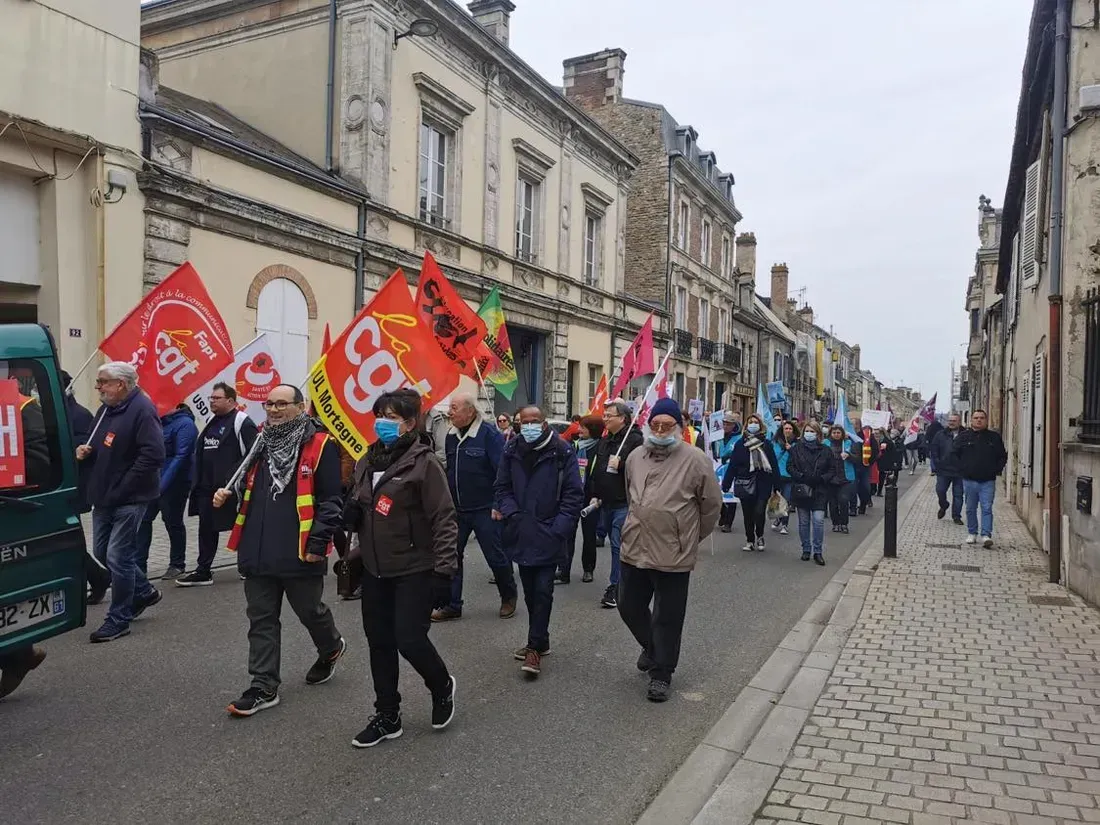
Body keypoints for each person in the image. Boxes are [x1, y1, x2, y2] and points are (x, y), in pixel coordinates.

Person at [212, 384, 346, 717]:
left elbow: (331, 501)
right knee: (261, 620)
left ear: (301, 406)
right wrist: (227, 494)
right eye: (269, 404)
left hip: (299, 551)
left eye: (282, 404)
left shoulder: (321, 444)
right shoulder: (261, 442)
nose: (273, 410)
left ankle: (331, 646)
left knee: (310, 612)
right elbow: (242, 482)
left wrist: (318, 544)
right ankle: (263, 686)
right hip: (257, 549)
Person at [342, 388, 458, 747]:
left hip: (413, 568)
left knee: (409, 639)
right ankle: (388, 715)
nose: (382, 423)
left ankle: (441, 685)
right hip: (374, 568)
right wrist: (351, 511)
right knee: (379, 641)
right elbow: (362, 500)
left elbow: (444, 518)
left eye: (391, 417)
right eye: (380, 416)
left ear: (409, 423)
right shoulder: (367, 460)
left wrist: (444, 570)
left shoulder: (424, 464)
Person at [618, 398, 722, 702]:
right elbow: (630, 495)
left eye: (667, 425)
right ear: (648, 425)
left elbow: (711, 505)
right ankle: (652, 648)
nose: (661, 430)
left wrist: (689, 536)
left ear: (679, 426)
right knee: (628, 605)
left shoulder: (696, 460)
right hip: (635, 546)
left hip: (673, 552)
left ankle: (661, 673)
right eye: (656, 424)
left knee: (668, 616)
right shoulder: (635, 456)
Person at [76, 361, 166, 643]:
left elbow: (153, 455)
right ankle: (144, 591)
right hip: (103, 496)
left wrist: (124, 486)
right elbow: (98, 443)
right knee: (102, 553)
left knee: (118, 556)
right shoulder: (106, 409)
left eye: (103, 382)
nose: (98, 387)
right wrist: (85, 452)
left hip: (130, 498)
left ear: (121, 384)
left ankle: (119, 618)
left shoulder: (142, 410)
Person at [493, 405, 583, 678]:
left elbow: (573, 494)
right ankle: (540, 639)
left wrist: (559, 528)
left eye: (534, 421)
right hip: (522, 529)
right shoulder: (512, 448)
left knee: (543, 590)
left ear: (544, 423)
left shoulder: (562, 451)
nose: (529, 426)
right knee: (531, 591)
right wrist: (512, 514)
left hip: (549, 531)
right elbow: (502, 487)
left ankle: (534, 648)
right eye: (524, 422)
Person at [433, 393, 517, 621]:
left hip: (485, 508)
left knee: (495, 556)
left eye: (454, 408)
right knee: (451, 556)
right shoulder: (451, 436)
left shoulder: (490, 435)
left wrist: (499, 503)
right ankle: (452, 604)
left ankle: (508, 596)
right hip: (457, 509)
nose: (449, 412)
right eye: (450, 407)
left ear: (470, 411)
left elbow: (503, 472)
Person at [177, 383, 259, 587]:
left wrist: (235, 482)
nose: (212, 401)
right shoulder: (211, 422)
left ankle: (247, 566)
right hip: (206, 488)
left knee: (241, 526)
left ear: (230, 400)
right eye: (211, 398)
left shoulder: (242, 422)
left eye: (216, 398)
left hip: (231, 489)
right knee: (206, 529)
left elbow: (252, 454)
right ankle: (203, 570)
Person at [61, 370, 111, 604]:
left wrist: (76, 453)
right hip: (60, 484)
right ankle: (94, 577)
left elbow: (87, 449)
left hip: (73, 486)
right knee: (66, 539)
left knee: (69, 539)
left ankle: (97, 577)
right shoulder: (57, 412)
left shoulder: (79, 415)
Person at [590, 400, 644, 609]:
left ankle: (616, 587)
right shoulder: (605, 441)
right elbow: (597, 469)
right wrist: (595, 493)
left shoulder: (635, 440)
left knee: (616, 543)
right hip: (606, 501)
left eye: (609, 415)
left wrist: (621, 464)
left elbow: (640, 469)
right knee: (619, 545)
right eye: (604, 415)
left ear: (622, 418)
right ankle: (628, 581)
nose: (604, 418)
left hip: (624, 501)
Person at [136, 403, 197, 579]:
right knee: (143, 520)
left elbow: (181, 457)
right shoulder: (158, 422)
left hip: (175, 483)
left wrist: (162, 485)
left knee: (172, 521)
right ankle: (139, 565)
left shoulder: (185, 424)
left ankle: (177, 564)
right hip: (153, 480)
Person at [953, 409, 1007, 548]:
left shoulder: (994, 437)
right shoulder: (964, 437)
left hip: (987, 480)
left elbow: (1002, 456)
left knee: (986, 507)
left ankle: (986, 534)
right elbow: (954, 454)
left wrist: (996, 470)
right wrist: (962, 469)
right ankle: (972, 532)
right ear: (971, 420)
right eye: (976, 418)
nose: (979, 420)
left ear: (986, 420)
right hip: (969, 480)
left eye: (982, 418)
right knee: (970, 508)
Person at [723, 414, 777, 552]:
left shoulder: (766, 444)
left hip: (763, 482)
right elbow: (733, 465)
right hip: (745, 482)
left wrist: (777, 485)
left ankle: (760, 535)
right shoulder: (740, 444)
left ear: (760, 425)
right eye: (751, 422)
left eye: (756, 422)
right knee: (747, 514)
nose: (753, 424)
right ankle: (750, 539)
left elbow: (773, 465)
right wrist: (726, 483)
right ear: (746, 425)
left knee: (759, 511)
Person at [560, 414, 604, 583]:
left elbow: (601, 473)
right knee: (567, 533)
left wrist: (597, 495)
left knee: (589, 535)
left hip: (591, 498)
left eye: (583, 427)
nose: (579, 430)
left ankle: (588, 569)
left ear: (592, 430)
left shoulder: (601, 448)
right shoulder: (574, 446)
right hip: (573, 495)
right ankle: (563, 570)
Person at [787, 421, 838, 565]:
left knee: (818, 520)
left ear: (818, 434)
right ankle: (806, 549)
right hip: (802, 489)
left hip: (819, 490)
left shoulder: (826, 450)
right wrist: (801, 476)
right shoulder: (797, 448)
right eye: (807, 431)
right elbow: (790, 466)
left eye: (812, 431)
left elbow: (832, 469)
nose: (809, 434)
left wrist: (822, 478)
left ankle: (818, 551)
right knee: (804, 522)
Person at [930, 413, 964, 524]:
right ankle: (944, 505)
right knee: (940, 490)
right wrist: (937, 463)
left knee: (958, 495)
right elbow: (934, 449)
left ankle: (956, 516)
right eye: (950, 421)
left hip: (960, 471)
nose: (951, 423)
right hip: (943, 470)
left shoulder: (965, 434)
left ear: (959, 422)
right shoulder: (940, 434)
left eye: (954, 421)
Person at [823, 425, 857, 535]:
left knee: (843, 500)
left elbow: (857, 458)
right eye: (834, 433)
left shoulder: (848, 443)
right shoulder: (826, 443)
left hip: (845, 478)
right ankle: (835, 523)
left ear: (842, 433)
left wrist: (849, 455)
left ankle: (844, 523)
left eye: (838, 433)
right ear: (831, 434)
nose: (836, 435)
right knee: (833, 503)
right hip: (831, 478)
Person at [714, 412, 742, 533]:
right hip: (718, 468)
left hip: (732, 469)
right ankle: (723, 513)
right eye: (724, 424)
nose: (725, 426)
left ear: (733, 425)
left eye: (728, 424)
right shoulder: (717, 437)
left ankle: (728, 523)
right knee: (718, 495)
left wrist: (730, 456)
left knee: (731, 497)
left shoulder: (739, 438)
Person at [771, 419, 799, 534]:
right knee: (777, 500)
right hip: (777, 475)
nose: (788, 430)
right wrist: (783, 449)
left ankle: (784, 524)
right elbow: (773, 457)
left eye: (790, 429)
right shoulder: (776, 442)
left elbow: (798, 459)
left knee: (786, 500)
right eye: (786, 428)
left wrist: (791, 450)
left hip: (789, 476)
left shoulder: (797, 444)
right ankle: (778, 518)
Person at [853, 421, 878, 514]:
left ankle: (863, 503)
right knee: (853, 486)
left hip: (864, 466)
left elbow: (875, 450)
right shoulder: (849, 435)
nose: (853, 425)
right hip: (853, 465)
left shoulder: (867, 436)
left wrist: (869, 462)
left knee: (865, 487)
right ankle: (853, 507)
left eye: (854, 423)